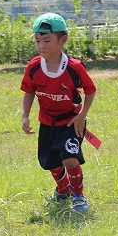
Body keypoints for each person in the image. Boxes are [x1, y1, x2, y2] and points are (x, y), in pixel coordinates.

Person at [20, 13, 96, 214]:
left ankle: (79, 196)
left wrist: (81, 116)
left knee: (70, 158)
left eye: (46, 40)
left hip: (71, 122)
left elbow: (90, 90)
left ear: (63, 40)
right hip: (47, 123)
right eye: (37, 41)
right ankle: (63, 189)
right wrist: (25, 115)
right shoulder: (33, 67)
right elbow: (29, 91)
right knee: (50, 162)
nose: (41, 45)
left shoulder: (74, 67)